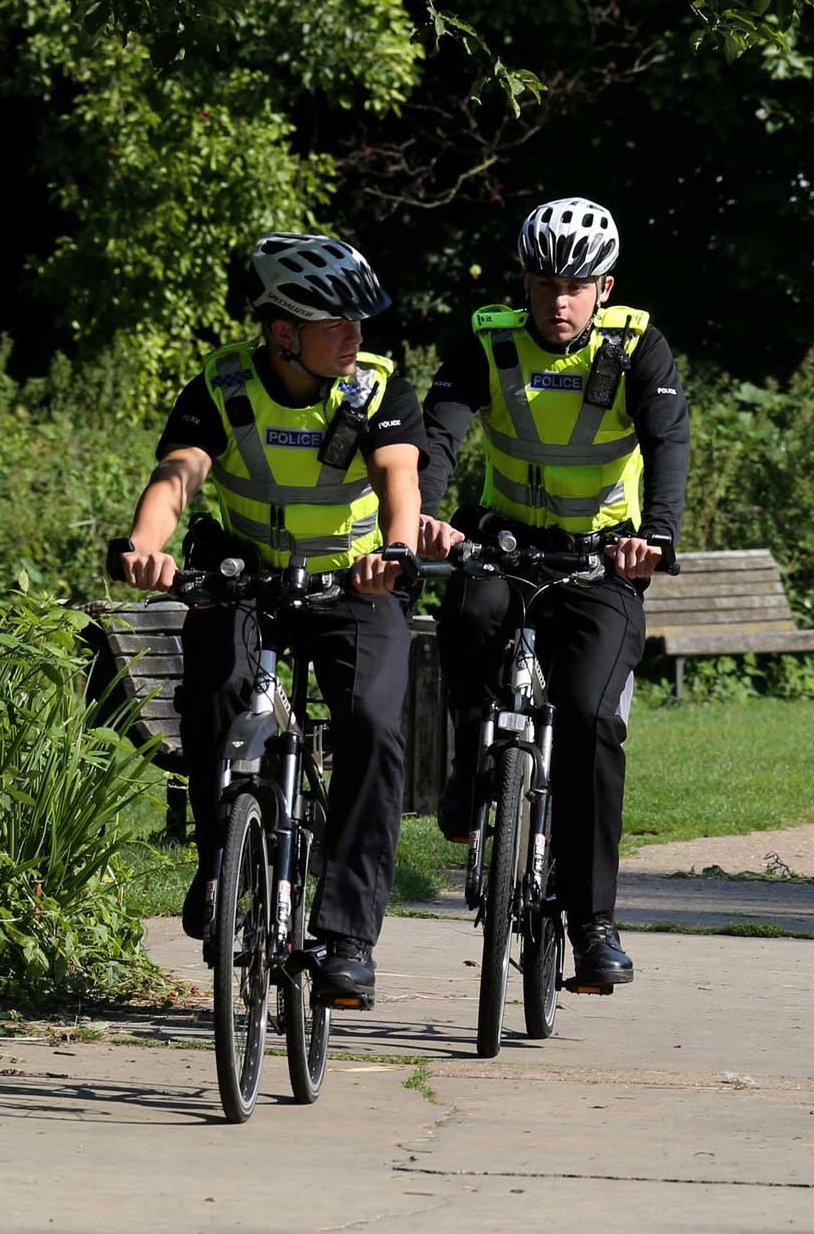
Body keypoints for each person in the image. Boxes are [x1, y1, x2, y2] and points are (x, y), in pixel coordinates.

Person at [112, 233, 423, 1004]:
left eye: (361, 322)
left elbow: (400, 479)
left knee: (374, 729)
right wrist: (146, 550)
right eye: (337, 323)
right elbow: (178, 474)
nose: (357, 336)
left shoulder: (375, 388)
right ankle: (221, 863)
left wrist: (395, 549)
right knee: (216, 694)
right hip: (244, 578)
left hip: (356, 583)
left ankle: (348, 936)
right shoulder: (223, 385)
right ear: (284, 332)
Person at [419, 197, 690, 989]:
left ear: (605, 287)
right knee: (470, 620)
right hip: (504, 543)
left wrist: (658, 537)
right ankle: (473, 760)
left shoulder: (639, 345)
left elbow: (668, 439)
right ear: (526, 283)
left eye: (577, 285)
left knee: (591, 718)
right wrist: (431, 517)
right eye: (546, 283)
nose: (560, 300)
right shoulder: (489, 339)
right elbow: (439, 429)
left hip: (602, 560)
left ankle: (593, 924)